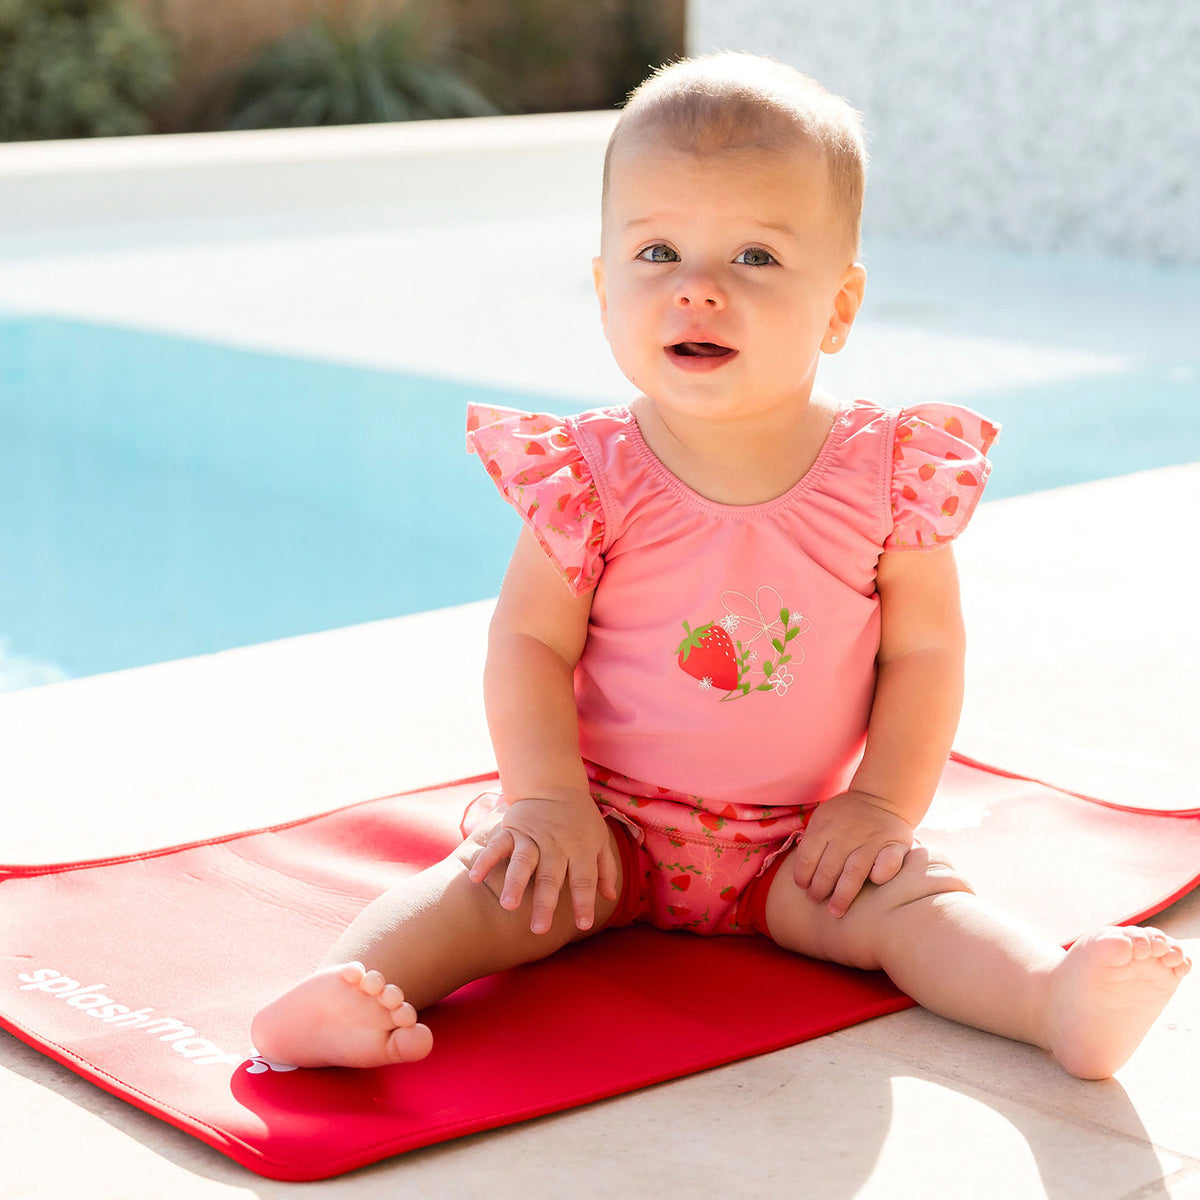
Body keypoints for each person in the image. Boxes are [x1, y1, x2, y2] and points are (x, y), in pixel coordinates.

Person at [251, 52, 1190, 1080]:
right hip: (602, 828)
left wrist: (878, 807)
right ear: (605, 287)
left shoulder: (889, 476)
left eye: (753, 257)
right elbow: (524, 642)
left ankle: (1050, 999)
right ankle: (347, 986)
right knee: (485, 886)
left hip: (801, 845)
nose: (697, 289)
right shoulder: (590, 476)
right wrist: (546, 799)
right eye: (658, 252)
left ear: (839, 305)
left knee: (917, 908)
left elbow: (925, 654)